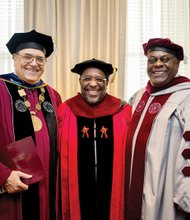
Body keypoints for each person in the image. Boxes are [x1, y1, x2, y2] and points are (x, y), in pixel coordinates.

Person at [57, 58, 132, 220]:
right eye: (87, 78)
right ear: (80, 81)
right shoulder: (64, 110)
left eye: (99, 79)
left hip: (113, 194)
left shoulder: (124, 111)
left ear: (107, 83)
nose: (93, 84)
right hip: (75, 194)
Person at [125, 38, 190, 220]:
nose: (158, 64)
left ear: (177, 64)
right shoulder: (138, 97)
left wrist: (186, 196)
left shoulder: (186, 97)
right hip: (133, 187)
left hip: (167, 192)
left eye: (165, 59)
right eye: (152, 60)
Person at [0, 30, 62, 220]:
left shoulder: (53, 95)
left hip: (48, 191)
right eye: (27, 57)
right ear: (14, 58)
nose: (34, 63)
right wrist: (3, 176)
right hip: (11, 190)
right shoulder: (1, 88)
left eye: (40, 59)